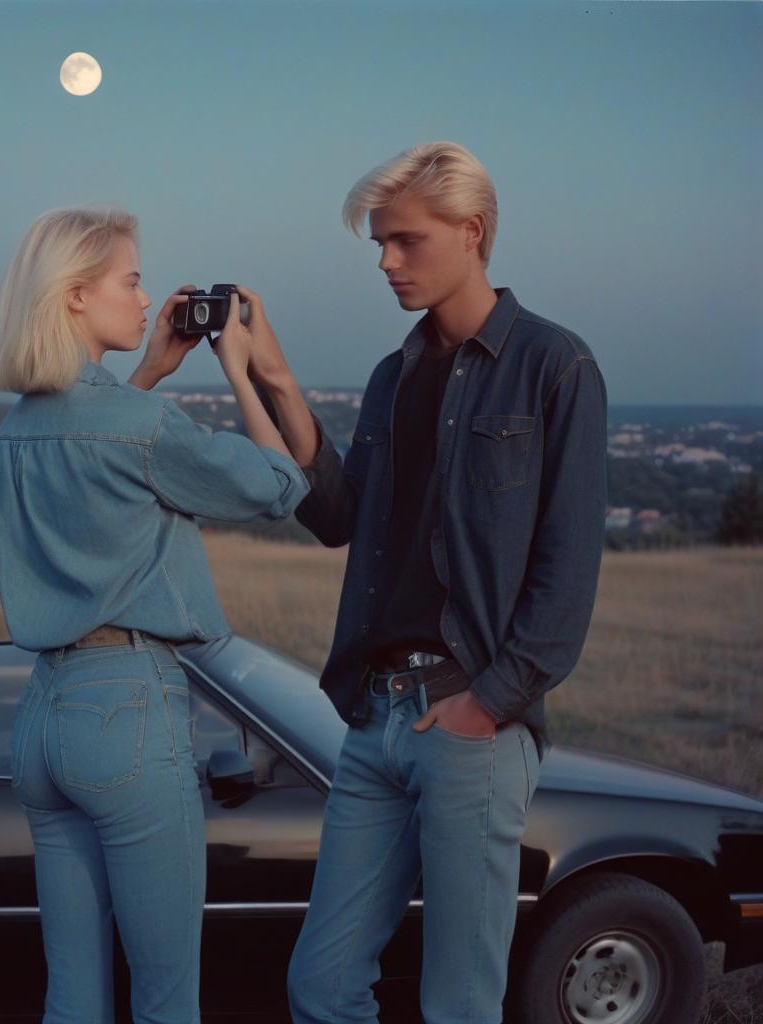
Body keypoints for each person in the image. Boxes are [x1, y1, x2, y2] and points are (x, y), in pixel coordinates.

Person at [237, 141, 608, 1023]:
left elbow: (567, 572)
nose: (386, 262)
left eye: (405, 240)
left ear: (472, 231)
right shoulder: (390, 376)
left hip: (470, 724)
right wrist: (277, 381)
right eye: (378, 244)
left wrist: (488, 704)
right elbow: (338, 517)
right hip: (374, 722)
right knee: (321, 986)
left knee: (458, 1002)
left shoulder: (556, 368)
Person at [0, 206, 308, 1024]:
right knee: (166, 1000)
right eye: (130, 280)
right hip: (127, 706)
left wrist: (151, 371)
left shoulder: (8, 441)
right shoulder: (142, 427)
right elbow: (279, 486)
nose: (145, 295)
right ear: (77, 296)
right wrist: (239, 366)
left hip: (44, 718)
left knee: (74, 998)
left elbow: (97, 469)